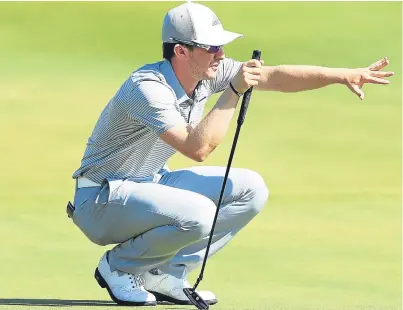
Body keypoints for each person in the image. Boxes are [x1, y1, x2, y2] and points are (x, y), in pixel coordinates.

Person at [68, 1, 394, 307]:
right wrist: (234, 92)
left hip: (149, 184)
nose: (221, 55)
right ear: (181, 51)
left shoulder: (206, 73)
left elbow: (276, 77)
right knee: (198, 212)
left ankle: (164, 273)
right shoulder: (148, 88)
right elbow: (198, 148)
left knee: (250, 189)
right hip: (100, 200)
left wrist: (342, 75)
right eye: (211, 48)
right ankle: (120, 267)